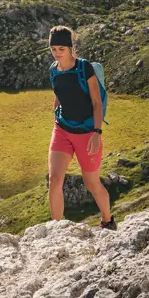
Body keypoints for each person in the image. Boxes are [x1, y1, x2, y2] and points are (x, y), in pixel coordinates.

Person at [46, 25, 116, 230]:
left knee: (91, 183)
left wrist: (96, 132)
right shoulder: (53, 70)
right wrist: (55, 115)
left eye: (61, 48)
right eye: (53, 49)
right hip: (62, 129)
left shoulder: (84, 68)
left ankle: (107, 220)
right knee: (55, 180)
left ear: (69, 48)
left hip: (87, 133)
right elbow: (59, 95)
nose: (57, 53)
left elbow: (96, 102)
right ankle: (56, 230)